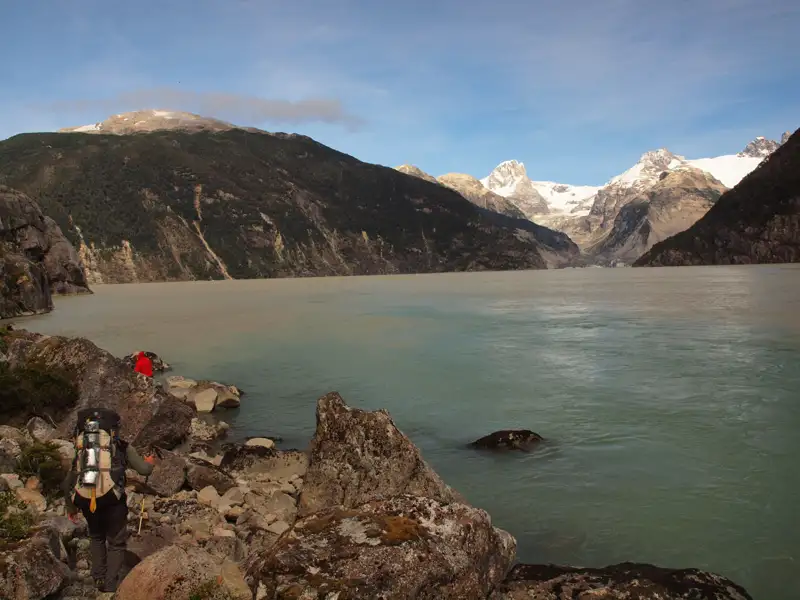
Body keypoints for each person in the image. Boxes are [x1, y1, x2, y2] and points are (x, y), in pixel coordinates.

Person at [61, 408, 157, 593]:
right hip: (112, 500)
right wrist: (150, 462)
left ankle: (98, 578)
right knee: (116, 542)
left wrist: (70, 507)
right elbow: (144, 470)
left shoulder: (82, 448)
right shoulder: (120, 446)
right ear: (112, 430)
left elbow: (69, 480)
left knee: (96, 536)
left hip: (85, 498)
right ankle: (111, 586)